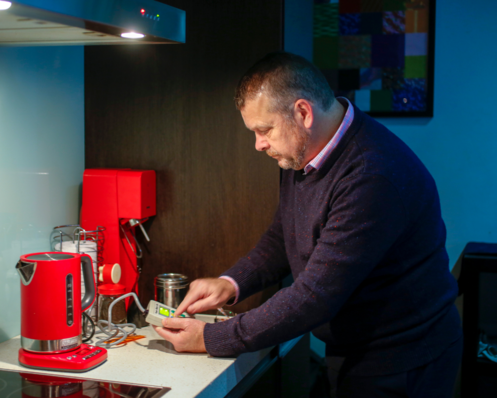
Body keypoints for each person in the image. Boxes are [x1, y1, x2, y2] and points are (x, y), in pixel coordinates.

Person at [153, 52, 462, 397]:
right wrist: (232, 282)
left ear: (303, 112)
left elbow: (316, 296)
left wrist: (212, 338)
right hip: (356, 347)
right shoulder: (305, 152)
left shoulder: (370, 173)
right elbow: (284, 235)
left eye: (264, 129)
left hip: (404, 358)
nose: (259, 144)